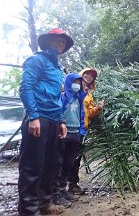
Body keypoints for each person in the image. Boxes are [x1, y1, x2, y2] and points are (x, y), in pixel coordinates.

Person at [18, 28, 74, 215]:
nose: (61, 42)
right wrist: (33, 116)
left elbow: (57, 98)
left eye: (63, 41)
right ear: (48, 40)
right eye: (58, 39)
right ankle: (29, 209)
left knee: (52, 164)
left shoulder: (57, 68)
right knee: (33, 165)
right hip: (38, 118)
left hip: (53, 120)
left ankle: (44, 204)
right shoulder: (36, 60)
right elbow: (26, 88)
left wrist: (61, 120)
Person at [67, 68, 104, 194]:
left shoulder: (89, 94)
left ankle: (72, 184)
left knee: (76, 157)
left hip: (82, 129)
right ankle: (57, 187)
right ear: (81, 74)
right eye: (87, 74)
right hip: (68, 126)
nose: (89, 76)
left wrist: (98, 108)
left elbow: (89, 112)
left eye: (92, 76)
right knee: (64, 157)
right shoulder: (71, 87)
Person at [53, 73, 86, 207]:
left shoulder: (79, 99)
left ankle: (62, 190)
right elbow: (58, 112)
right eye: (75, 82)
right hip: (63, 134)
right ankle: (55, 193)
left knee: (68, 164)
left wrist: (81, 131)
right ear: (68, 83)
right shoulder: (62, 97)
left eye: (79, 82)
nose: (77, 85)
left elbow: (82, 115)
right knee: (58, 164)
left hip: (75, 134)